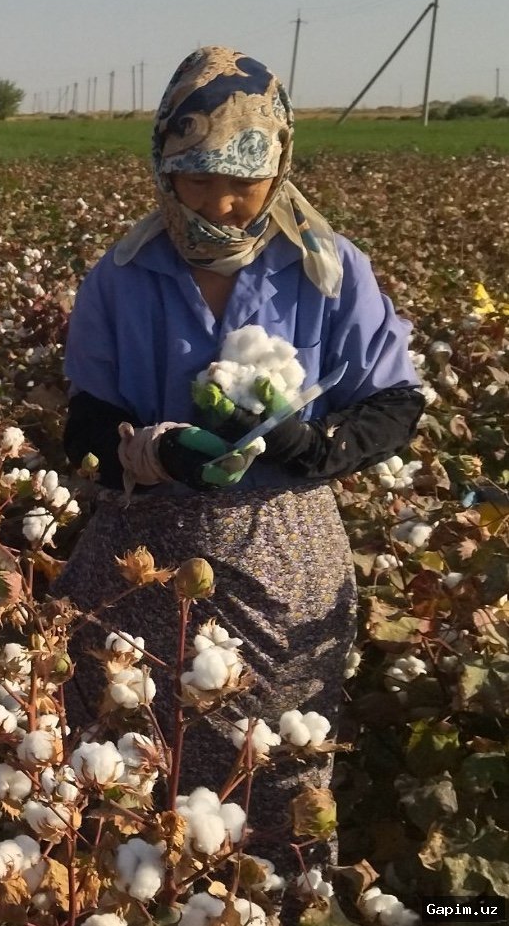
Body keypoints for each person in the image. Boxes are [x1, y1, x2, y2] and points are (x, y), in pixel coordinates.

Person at [54, 48, 423, 873]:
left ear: (279, 167)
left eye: (243, 182)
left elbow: (395, 403)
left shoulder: (327, 268)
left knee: (271, 772)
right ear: (163, 165)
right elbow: (84, 418)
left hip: (284, 556)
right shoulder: (120, 274)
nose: (220, 202)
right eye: (196, 178)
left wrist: (316, 447)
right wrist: (146, 450)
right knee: (129, 758)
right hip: (143, 547)